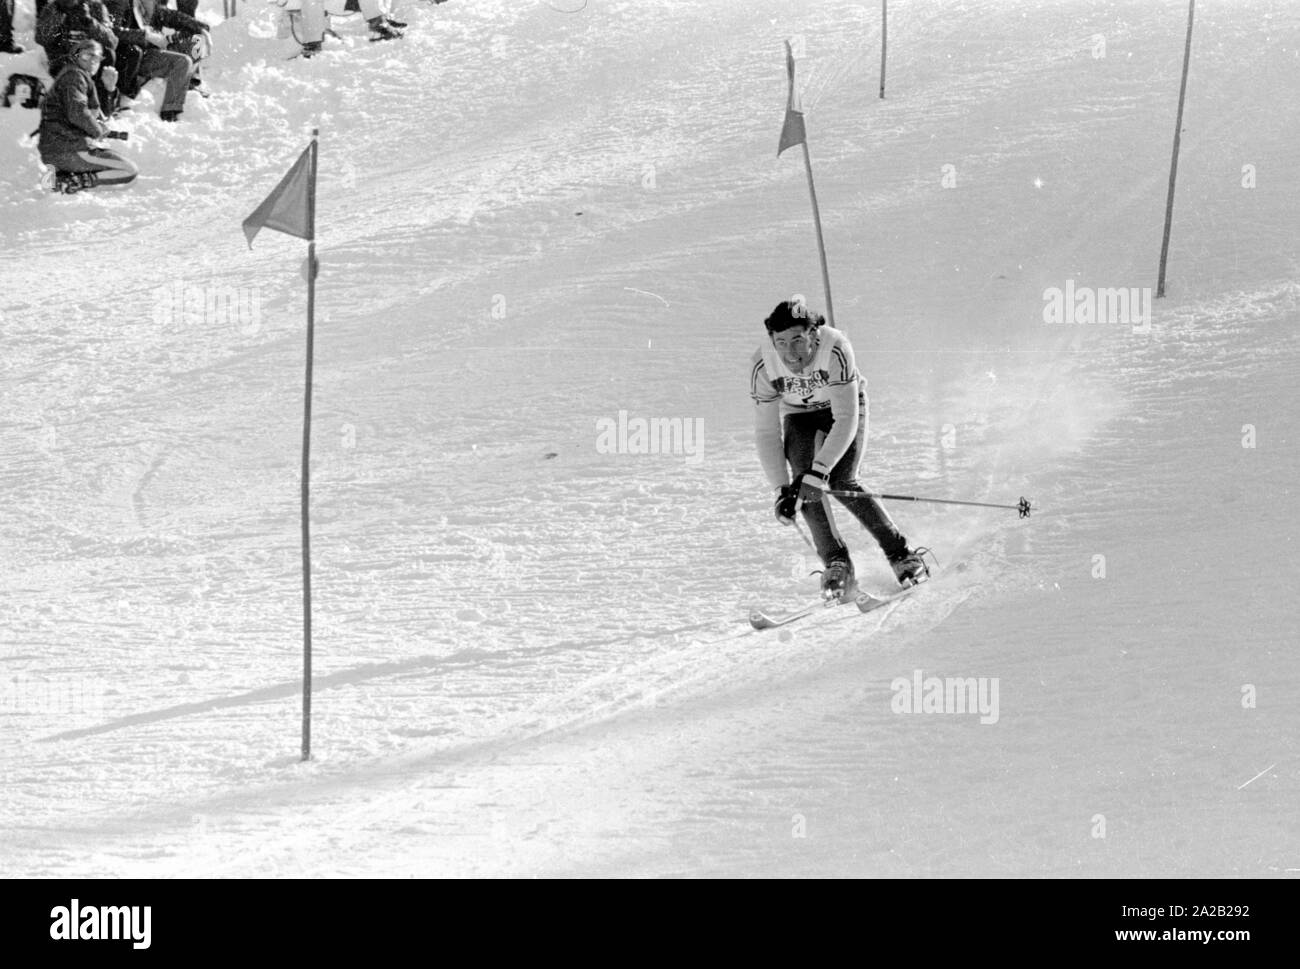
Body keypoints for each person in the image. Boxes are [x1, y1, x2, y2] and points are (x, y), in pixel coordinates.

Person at [750, 297, 929, 599]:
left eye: (797, 340)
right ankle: (836, 563)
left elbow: (845, 418)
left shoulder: (835, 348)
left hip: (842, 410)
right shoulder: (762, 365)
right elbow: (766, 431)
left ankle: (901, 554)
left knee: (841, 479)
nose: (790, 353)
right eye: (781, 342)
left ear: (813, 334)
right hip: (799, 417)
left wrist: (820, 471)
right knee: (801, 487)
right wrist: (781, 490)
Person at [38, 37, 138, 192]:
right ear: (75, 56)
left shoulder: (80, 78)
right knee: (129, 170)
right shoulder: (74, 77)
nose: (92, 61)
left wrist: (109, 89)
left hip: (59, 147)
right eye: (87, 55)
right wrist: (97, 131)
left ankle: (61, 179)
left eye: (97, 57)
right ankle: (72, 182)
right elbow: (77, 113)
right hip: (67, 147)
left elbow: (98, 114)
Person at [103, 0, 205, 120]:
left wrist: (200, 27)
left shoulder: (149, 3)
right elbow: (112, 31)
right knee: (181, 62)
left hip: (152, 50)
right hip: (132, 56)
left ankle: (172, 109)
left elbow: (170, 16)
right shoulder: (119, 3)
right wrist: (145, 36)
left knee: (194, 43)